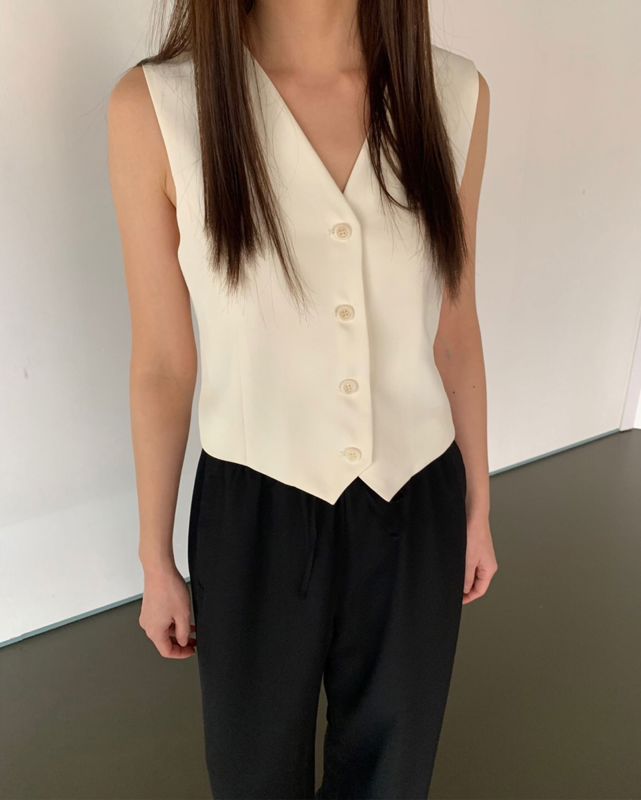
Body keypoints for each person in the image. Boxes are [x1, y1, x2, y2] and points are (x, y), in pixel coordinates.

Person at [108, 1, 497, 797]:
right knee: (252, 777)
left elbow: (454, 327)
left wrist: (478, 506)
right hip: (254, 511)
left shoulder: (453, 94)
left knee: (394, 775)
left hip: (415, 498)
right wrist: (155, 556)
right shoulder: (157, 107)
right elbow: (163, 364)